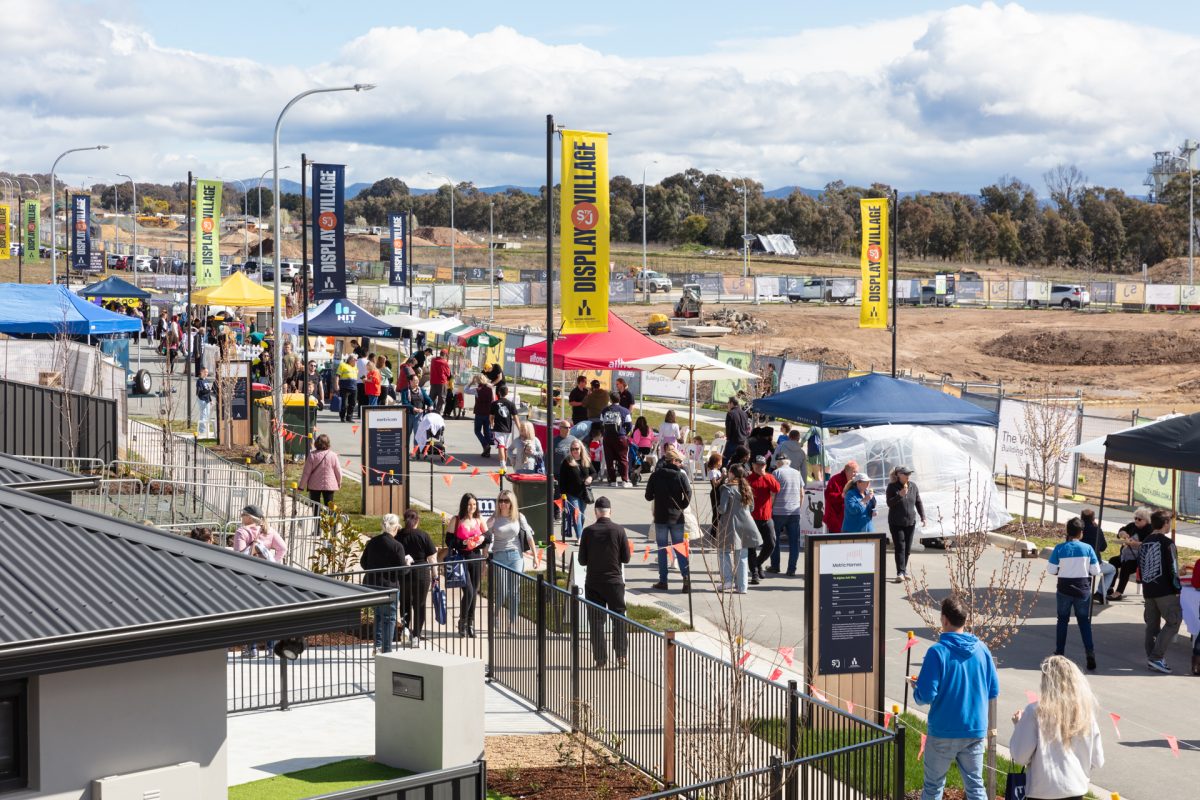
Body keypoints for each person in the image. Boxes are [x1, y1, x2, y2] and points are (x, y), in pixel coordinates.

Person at [913, 595, 999, 800]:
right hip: (975, 729)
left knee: (933, 787)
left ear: (944, 620)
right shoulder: (982, 649)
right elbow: (993, 690)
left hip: (943, 730)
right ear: (965, 620)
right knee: (975, 786)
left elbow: (925, 695)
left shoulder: (937, 652)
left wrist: (917, 688)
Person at [1009, 656, 1105, 800]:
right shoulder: (1085, 713)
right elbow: (1098, 760)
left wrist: (1019, 726)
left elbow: (1020, 756)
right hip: (1075, 789)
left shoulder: (1035, 711)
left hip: (1043, 791)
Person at [577, 496, 631, 668]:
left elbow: (582, 560)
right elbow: (626, 558)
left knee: (596, 621)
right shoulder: (619, 530)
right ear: (610, 512)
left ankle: (600, 659)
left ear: (596, 513)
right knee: (619, 619)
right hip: (614, 581)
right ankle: (621, 656)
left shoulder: (588, 532)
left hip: (594, 581)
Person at [1047, 517, 1101, 671]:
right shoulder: (1088, 548)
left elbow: (1051, 570)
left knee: (1062, 620)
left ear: (1067, 532)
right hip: (1082, 589)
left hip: (1064, 589)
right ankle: (1089, 652)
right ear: (1081, 533)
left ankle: (1059, 652)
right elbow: (1095, 570)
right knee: (1084, 622)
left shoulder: (1059, 548)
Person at [487, 490, 538, 629]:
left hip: (516, 556)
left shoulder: (519, 517)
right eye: (500, 501)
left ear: (512, 503)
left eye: (506, 501)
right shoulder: (494, 518)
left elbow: (529, 536)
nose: (503, 504)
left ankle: (512, 622)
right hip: (499, 556)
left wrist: (535, 556)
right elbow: (485, 538)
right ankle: (496, 615)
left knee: (514, 591)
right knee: (502, 591)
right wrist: (484, 557)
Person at [1139, 510, 1183, 673]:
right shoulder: (1167, 543)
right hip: (1165, 591)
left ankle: (1152, 656)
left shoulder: (1145, 542)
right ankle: (1156, 657)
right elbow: (1173, 568)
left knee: (1152, 625)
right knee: (1174, 621)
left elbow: (1141, 568)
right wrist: (1178, 587)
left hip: (1149, 590)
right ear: (1165, 523)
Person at [645, 447, 693, 592]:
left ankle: (663, 580)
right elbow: (688, 492)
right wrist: (682, 505)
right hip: (677, 516)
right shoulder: (680, 475)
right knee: (679, 548)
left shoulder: (656, 475)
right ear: (673, 461)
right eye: (679, 461)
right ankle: (686, 580)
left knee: (662, 550)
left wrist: (657, 495)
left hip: (661, 516)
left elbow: (648, 496)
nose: (680, 464)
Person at [360, 517, 410, 653]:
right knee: (390, 618)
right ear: (394, 528)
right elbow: (402, 570)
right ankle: (386, 650)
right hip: (390, 587)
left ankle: (377, 646)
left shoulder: (372, 542)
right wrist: (408, 564)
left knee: (378, 616)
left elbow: (363, 562)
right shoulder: (397, 546)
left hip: (373, 585)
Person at [447, 493, 490, 638]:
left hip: (476, 558)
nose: (472, 507)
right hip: (461, 558)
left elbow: (489, 536)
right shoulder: (457, 520)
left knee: (474, 592)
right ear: (464, 505)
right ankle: (462, 622)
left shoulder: (479, 519)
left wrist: (481, 538)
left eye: (474, 504)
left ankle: (470, 624)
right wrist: (464, 543)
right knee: (469, 591)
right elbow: (449, 541)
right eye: (469, 504)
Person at [394, 510, 438, 645]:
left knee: (405, 603)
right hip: (422, 573)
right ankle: (416, 636)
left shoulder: (398, 536)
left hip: (404, 573)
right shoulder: (423, 535)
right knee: (420, 604)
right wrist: (435, 576)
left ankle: (406, 629)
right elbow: (432, 558)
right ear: (417, 521)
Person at [716, 465, 760, 594]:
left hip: (730, 524)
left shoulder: (727, 488)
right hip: (747, 524)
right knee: (742, 556)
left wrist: (718, 509)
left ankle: (728, 580)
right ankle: (742, 586)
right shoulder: (747, 488)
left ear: (732, 474)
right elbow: (751, 508)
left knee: (723, 551)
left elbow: (723, 509)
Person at [885, 466, 926, 582]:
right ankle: (900, 572)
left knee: (907, 548)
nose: (908, 476)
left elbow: (918, 502)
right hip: (896, 522)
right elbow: (889, 503)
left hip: (910, 522)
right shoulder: (892, 487)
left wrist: (923, 517)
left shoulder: (913, 486)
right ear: (898, 474)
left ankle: (904, 570)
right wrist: (900, 495)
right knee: (900, 547)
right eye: (905, 474)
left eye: (909, 474)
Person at [768, 454, 805, 575]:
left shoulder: (776, 473)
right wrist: (798, 507)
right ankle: (791, 569)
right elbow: (802, 493)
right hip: (794, 512)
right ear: (788, 462)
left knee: (775, 540)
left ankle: (775, 566)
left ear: (778, 462)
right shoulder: (797, 473)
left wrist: (770, 507)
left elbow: (773, 494)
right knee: (794, 542)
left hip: (778, 511)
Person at [745, 455, 780, 584]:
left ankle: (758, 563)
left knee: (771, 543)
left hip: (766, 517)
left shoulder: (769, 477)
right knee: (751, 547)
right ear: (753, 465)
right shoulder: (748, 479)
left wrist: (764, 474)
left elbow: (776, 489)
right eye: (758, 465)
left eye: (762, 465)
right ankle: (754, 573)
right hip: (752, 519)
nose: (760, 467)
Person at [1108, 507, 1151, 600]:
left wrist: (1134, 544)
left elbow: (1148, 544)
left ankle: (1118, 592)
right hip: (1126, 555)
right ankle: (1110, 587)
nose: (1136, 520)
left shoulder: (1149, 529)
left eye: (1139, 519)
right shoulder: (1132, 525)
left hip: (1139, 559)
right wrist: (1122, 534)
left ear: (1146, 520)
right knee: (1112, 561)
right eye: (1135, 518)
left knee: (1126, 567)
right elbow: (1121, 530)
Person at [557, 439, 594, 540]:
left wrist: (590, 478)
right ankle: (580, 536)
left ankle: (579, 532)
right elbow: (562, 479)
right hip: (571, 494)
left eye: (577, 449)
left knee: (581, 516)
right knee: (576, 514)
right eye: (572, 449)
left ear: (581, 449)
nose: (575, 451)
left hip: (583, 494)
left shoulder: (585, 460)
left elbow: (593, 472)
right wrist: (562, 494)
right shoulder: (567, 462)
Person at [1079, 508, 1116, 604]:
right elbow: (1103, 547)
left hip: (1077, 563)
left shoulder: (1077, 529)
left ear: (1081, 517)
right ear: (1093, 518)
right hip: (1093, 564)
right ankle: (1100, 593)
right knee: (1112, 569)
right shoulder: (1096, 530)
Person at [600, 391, 633, 487]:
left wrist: (605, 434)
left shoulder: (605, 410)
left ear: (610, 399)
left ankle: (612, 481)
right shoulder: (625, 411)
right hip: (621, 437)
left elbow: (601, 424)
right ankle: (624, 481)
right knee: (623, 459)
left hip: (608, 438)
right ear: (620, 399)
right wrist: (624, 433)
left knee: (609, 459)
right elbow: (629, 425)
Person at [299, 433, 343, 506]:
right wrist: (339, 482)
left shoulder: (312, 455)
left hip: (314, 485)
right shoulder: (333, 455)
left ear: (316, 443)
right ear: (328, 443)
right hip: (329, 484)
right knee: (329, 506)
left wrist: (301, 487)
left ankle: (317, 517)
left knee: (315, 506)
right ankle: (329, 517)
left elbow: (306, 473)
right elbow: (338, 471)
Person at [824, 461, 859, 533]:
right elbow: (828, 495)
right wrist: (842, 496)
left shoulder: (856, 481)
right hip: (836, 516)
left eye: (857, 472)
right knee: (836, 541)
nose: (855, 474)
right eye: (854, 472)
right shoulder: (835, 479)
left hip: (850, 517)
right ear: (846, 471)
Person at [490, 384, 518, 468]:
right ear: (507, 393)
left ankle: (502, 465)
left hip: (498, 428)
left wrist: (492, 424)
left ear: (499, 393)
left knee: (501, 446)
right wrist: (520, 429)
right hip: (508, 429)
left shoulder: (494, 403)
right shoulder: (511, 404)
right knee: (504, 447)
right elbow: (516, 418)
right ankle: (504, 465)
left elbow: (491, 417)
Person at [472, 375, 495, 458]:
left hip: (479, 413)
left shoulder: (477, 390)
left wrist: (471, 382)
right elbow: (493, 401)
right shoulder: (490, 389)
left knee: (477, 431)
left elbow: (466, 390)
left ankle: (486, 446)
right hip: (488, 413)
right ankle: (487, 451)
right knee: (487, 432)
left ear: (478, 381)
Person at [723, 397, 751, 463]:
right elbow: (746, 428)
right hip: (743, 441)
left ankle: (723, 472)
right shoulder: (744, 414)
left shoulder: (730, 413)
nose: (728, 404)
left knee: (725, 459)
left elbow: (728, 428)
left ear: (732, 403)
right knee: (740, 460)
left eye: (728, 403)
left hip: (733, 440)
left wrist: (728, 438)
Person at [337, 354, 358, 422]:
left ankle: (349, 417)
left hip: (353, 387)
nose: (356, 361)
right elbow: (337, 375)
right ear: (350, 359)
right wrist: (336, 385)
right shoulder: (343, 365)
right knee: (344, 404)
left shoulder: (355, 367)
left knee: (353, 403)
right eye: (355, 359)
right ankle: (342, 417)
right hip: (344, 387)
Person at [195, 366, 213, 439]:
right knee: (203, 414)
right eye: (205, 372)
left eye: (207, 372)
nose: (206, 373)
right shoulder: (199, 381)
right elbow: (200, 391)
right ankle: (202, 430)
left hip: (207, 400)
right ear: (201, 372)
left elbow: (208, 392)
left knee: (207, 415)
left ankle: (205, 429)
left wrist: (210, 400)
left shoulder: (206, 380)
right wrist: (209, 391)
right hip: (202, 399)